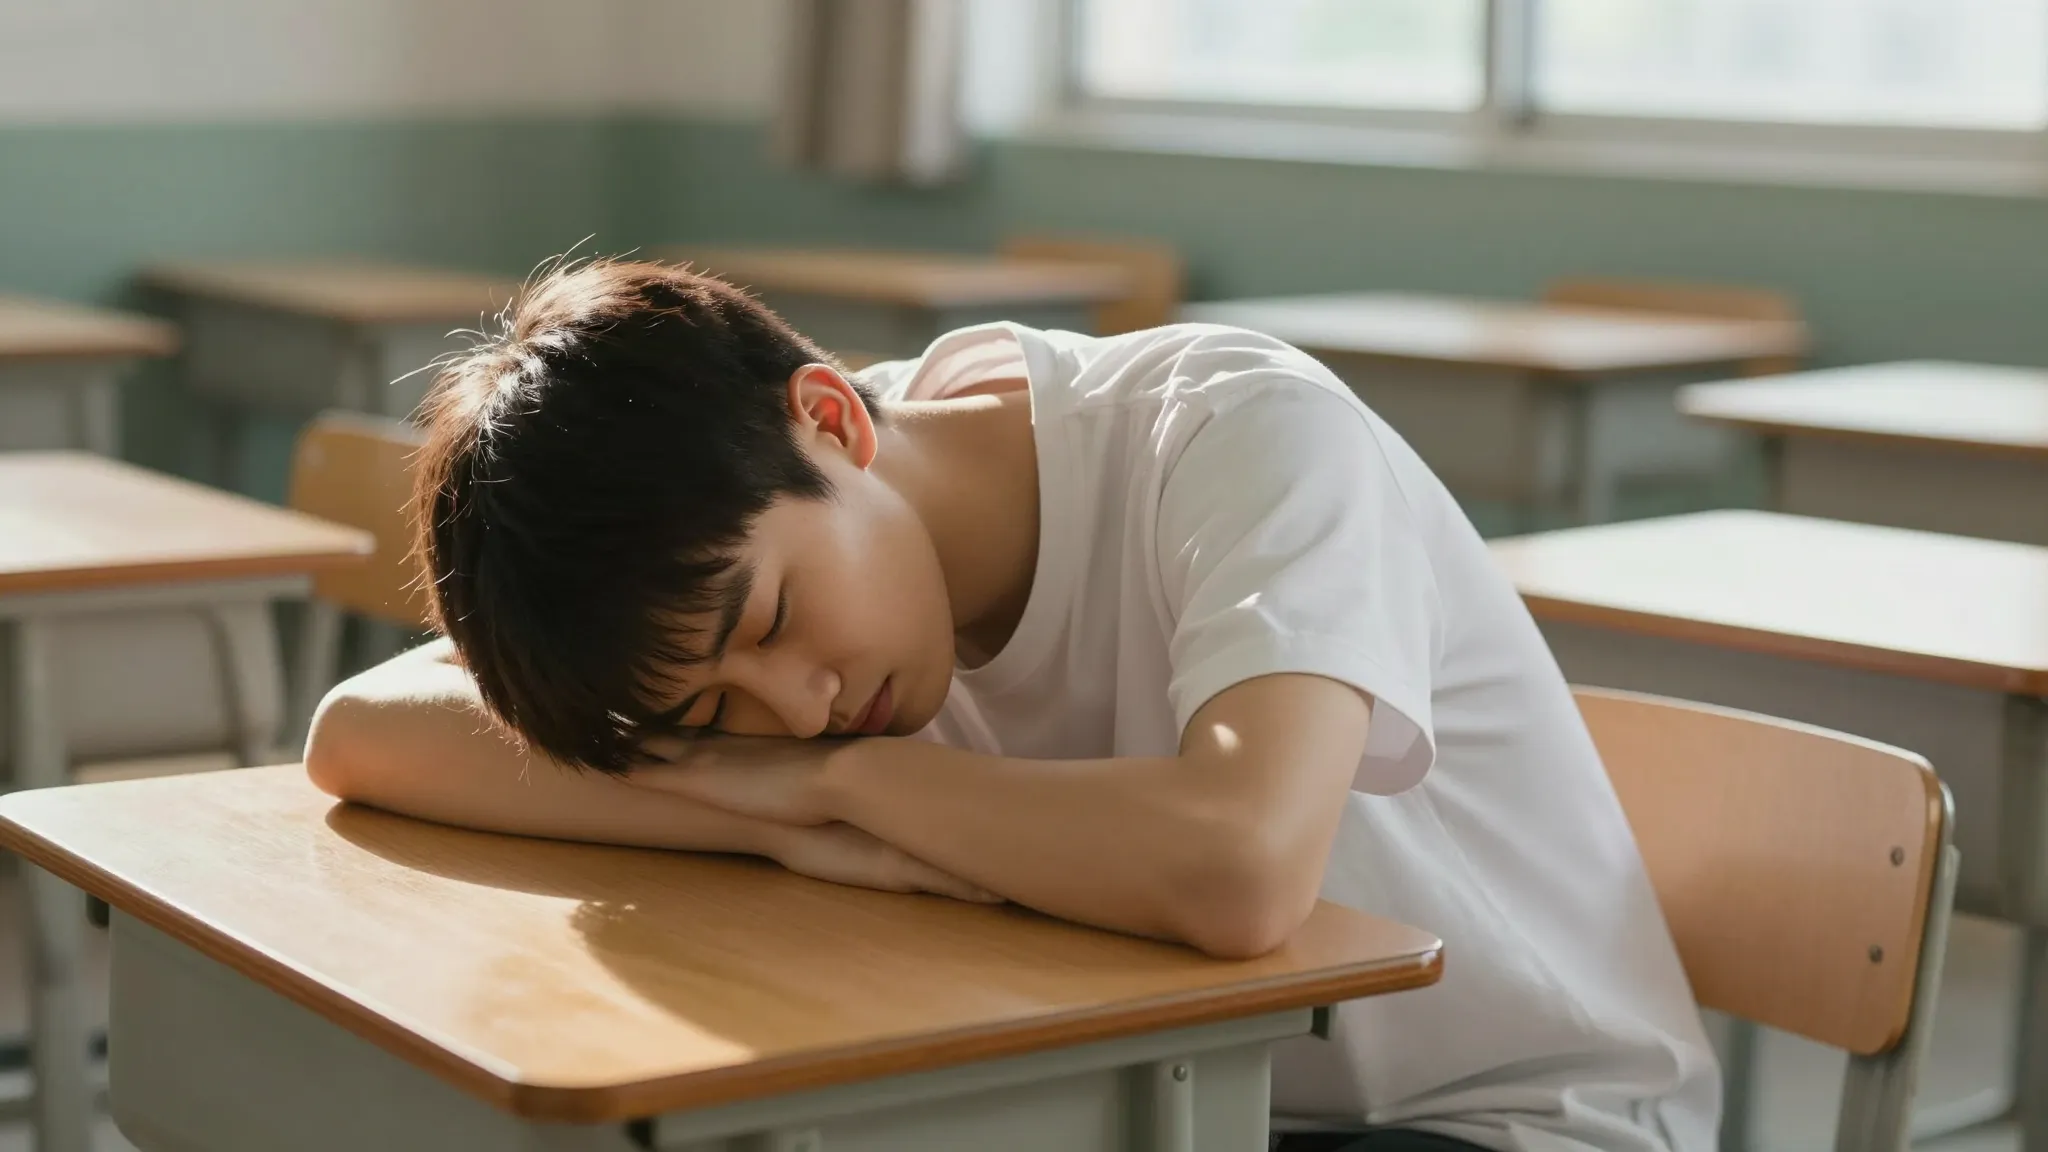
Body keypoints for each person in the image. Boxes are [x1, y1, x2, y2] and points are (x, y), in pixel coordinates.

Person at [305, 258, 1718, 1152]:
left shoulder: (1236, 432)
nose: (794, 712)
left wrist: (834, 795)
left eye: (777, 624)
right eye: (707, 713)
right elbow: (364, 733)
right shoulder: (797, 536)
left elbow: (1238, 871)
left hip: (1511, 1115)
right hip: (1174, 1098)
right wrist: (764, 823)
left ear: (835, 420)